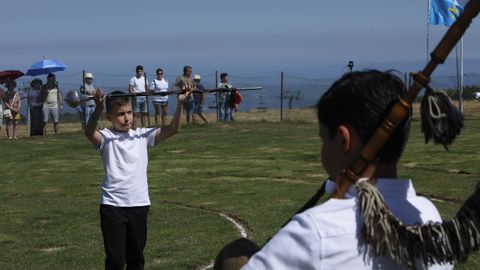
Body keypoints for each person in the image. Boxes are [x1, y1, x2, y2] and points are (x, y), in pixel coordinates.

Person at [240, 70, 452, 269]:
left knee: (237, 252)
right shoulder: (429, 214)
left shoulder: (314, 232)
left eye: (323, 139)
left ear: (343, 140)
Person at [84, 82, 193, 270]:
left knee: (136, 259)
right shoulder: (106, 137)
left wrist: (181, 103)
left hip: (139, 205)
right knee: (116, 261)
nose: (126, 118)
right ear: (109, 117)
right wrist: (97, 109)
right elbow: (89, 132)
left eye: (129, 112)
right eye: (120, 114)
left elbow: (173, 129)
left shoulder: (142, 135)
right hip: (113, 206)